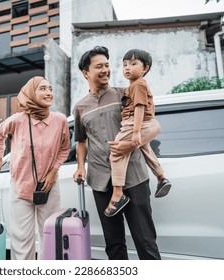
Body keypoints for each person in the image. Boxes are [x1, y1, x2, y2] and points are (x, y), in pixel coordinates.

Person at [72, 46, 161, 260]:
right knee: (113, 244)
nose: (105, 70)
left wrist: (129, 145)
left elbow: (152, 125)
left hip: (133, 177)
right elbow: (82, 140)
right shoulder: (80, 107)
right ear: (86, 72)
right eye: (99, 66)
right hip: (101, 181)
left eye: (107, 65)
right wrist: (80, 167)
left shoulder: (126, 93)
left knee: (145, 240)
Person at [0, 76, 70, 260]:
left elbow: (65, 148)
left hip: (49, 187)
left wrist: (53, 171)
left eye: (50, 88)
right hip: (21, 187)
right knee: (21, 240)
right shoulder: (18, 120)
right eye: (42, 88)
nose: (48, 92)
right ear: (31, 93)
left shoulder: (60, 120)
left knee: (49, 237)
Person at [106, 49, 171, 217]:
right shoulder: (135, 85)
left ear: (145, 68)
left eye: (133, 64)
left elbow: (139, 107)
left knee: (116, 153)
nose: (127, 67)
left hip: (134, 124)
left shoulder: (138, 84)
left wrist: (136, 132)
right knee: (146, 149)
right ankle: (162, 177)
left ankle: (118, 193)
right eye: (125, 64)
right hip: (142, 124)